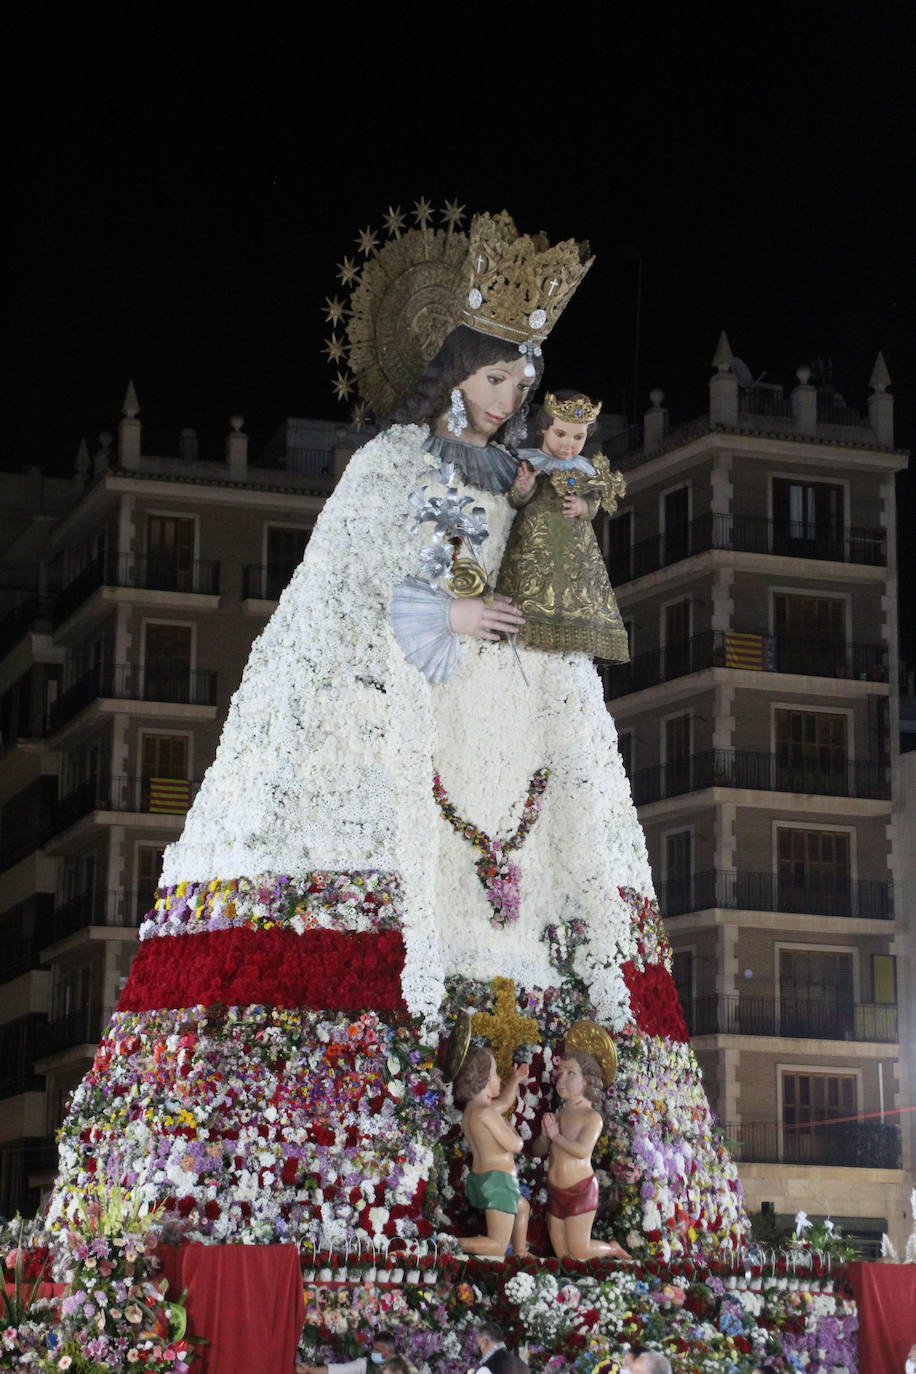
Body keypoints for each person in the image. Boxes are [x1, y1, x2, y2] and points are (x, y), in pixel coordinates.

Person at [46, 211, 744, 1262]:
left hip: (508, 746)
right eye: (502, 379)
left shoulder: (520, 482)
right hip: (398, 742)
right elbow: (347, 593)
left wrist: (553, 549)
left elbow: (545, 591)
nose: (516, 400)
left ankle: (555, 1217)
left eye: (526, 381)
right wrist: (449, 615)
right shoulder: (383, 467)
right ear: (458, 371)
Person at [495, 389, 629, 661]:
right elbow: (516, 500)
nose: (569, 444)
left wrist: (583, 506)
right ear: (544, 429)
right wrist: (523, 488)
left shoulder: (586, 469)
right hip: (534, 540)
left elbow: (594, 501)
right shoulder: (528, 461)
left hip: (574, 547)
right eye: (561, 434)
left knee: (575, 590)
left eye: (578, 437)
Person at [541, 1051, 628, 1261]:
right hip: (556, 1189)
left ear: (587, 1080)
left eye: (571, 1073)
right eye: (560, 1073)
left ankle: (612, 1249)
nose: (562, 1079)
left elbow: (581, 1151)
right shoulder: (559, 1115)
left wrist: (555, 1135)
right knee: (563, 1255)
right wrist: (544, 1137)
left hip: (580, 1189)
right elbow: (540, 1151)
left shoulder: (592, 1117)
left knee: (579, 1252)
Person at [453, 1047, 530, 1257]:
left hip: (483, 1178)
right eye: (496, 1074)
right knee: (497, 1245)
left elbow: (505, 1102)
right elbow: (515, 1145)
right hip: (499, 1181)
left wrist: (515, 1080)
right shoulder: (486, 1112)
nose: (498, 1078)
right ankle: (448, 1244)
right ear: (486, 1078)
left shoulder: (472, 1109)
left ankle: (521, 1251)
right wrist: (511, 1130)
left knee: (523, 1207)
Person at [298, 1329, 396, 1374]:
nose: (373, 1353)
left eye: (378, 1350)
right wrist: (309, 1370)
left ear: (389, 1352)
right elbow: (340, 1370)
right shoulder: (365, 1364)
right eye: (373, 1349)